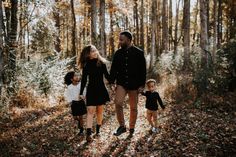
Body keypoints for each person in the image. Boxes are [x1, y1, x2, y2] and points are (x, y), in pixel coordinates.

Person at [110, 31, 146, 137]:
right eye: (119, 39)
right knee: (118, 103)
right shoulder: (117, 53)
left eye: (122, 39)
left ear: (129, 40)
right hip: (121, 83)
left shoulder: (139, 53)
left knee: (133, 107)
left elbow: (143, 70)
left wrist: (141, 85)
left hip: (134, 85)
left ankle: (132, 127)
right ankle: (122, 126)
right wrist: (112, 82)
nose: (120, 41)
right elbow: (114, 69)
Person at [79, 45, 110, 142]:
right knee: (90, 111)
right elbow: (84, 80)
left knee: (100, 111)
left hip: (101, 89)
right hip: (91, 90)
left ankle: (98, 131)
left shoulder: (101, 63)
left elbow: (107, 76)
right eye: (92, 51)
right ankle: (88, 134)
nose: (95, 52)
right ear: (88, 54)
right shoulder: (86, 65)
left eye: (95, 50)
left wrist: (115, 80)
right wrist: (81, 93)